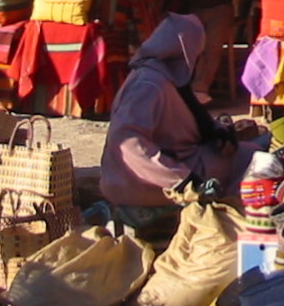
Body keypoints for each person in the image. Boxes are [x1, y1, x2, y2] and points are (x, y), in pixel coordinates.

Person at [100, 13, 257, 236]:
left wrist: (218, 132)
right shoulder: (148, 84)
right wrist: (180, 179)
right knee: (253, 164)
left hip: (173, 166)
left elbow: (186, 119)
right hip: (143, 182)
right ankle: (232, 232)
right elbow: (127, 142)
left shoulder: (163, 77)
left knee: (251, 151)